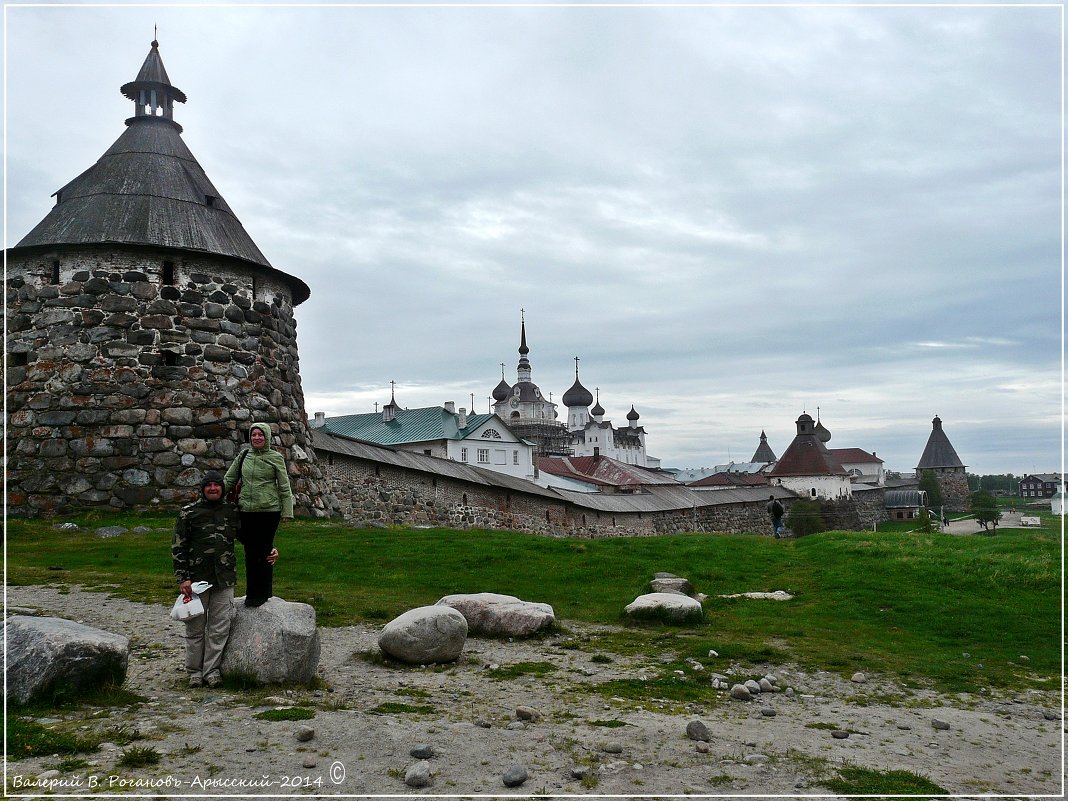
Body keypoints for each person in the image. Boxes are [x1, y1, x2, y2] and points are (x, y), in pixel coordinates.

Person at [172, 471, 240, 688]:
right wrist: (183, 578)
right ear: (202, 489)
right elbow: (178, 546)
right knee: (195, 629)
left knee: (219, 629)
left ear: (222, 488)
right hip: (196, 580)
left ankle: (211, 672)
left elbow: (250, 536)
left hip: (224, 578)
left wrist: (270, 549)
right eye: (209, 485)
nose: (213, 488)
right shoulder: (188, 513)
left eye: (217, 485)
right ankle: (194, 672)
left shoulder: (231, 511)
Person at [224, 423, 294, 607]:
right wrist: (213, 495)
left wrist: (288, 511)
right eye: (253, 434)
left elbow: (284, 486)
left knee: (263, 551)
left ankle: (262, 593)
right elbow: (230, 478)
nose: (256, 438)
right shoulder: (244, 455)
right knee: (250, 551)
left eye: (260, 435)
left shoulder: (275, 458)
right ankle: (252, 591)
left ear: (267, 437)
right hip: (246, 509)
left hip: (269, 510)